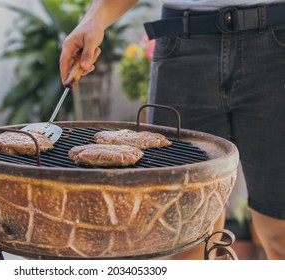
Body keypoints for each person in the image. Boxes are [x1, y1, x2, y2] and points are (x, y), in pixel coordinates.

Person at [60, 0, 285, 260]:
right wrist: (95, 19)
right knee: (183, 234)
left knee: (279, 230)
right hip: (181, 49)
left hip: (275, 49)